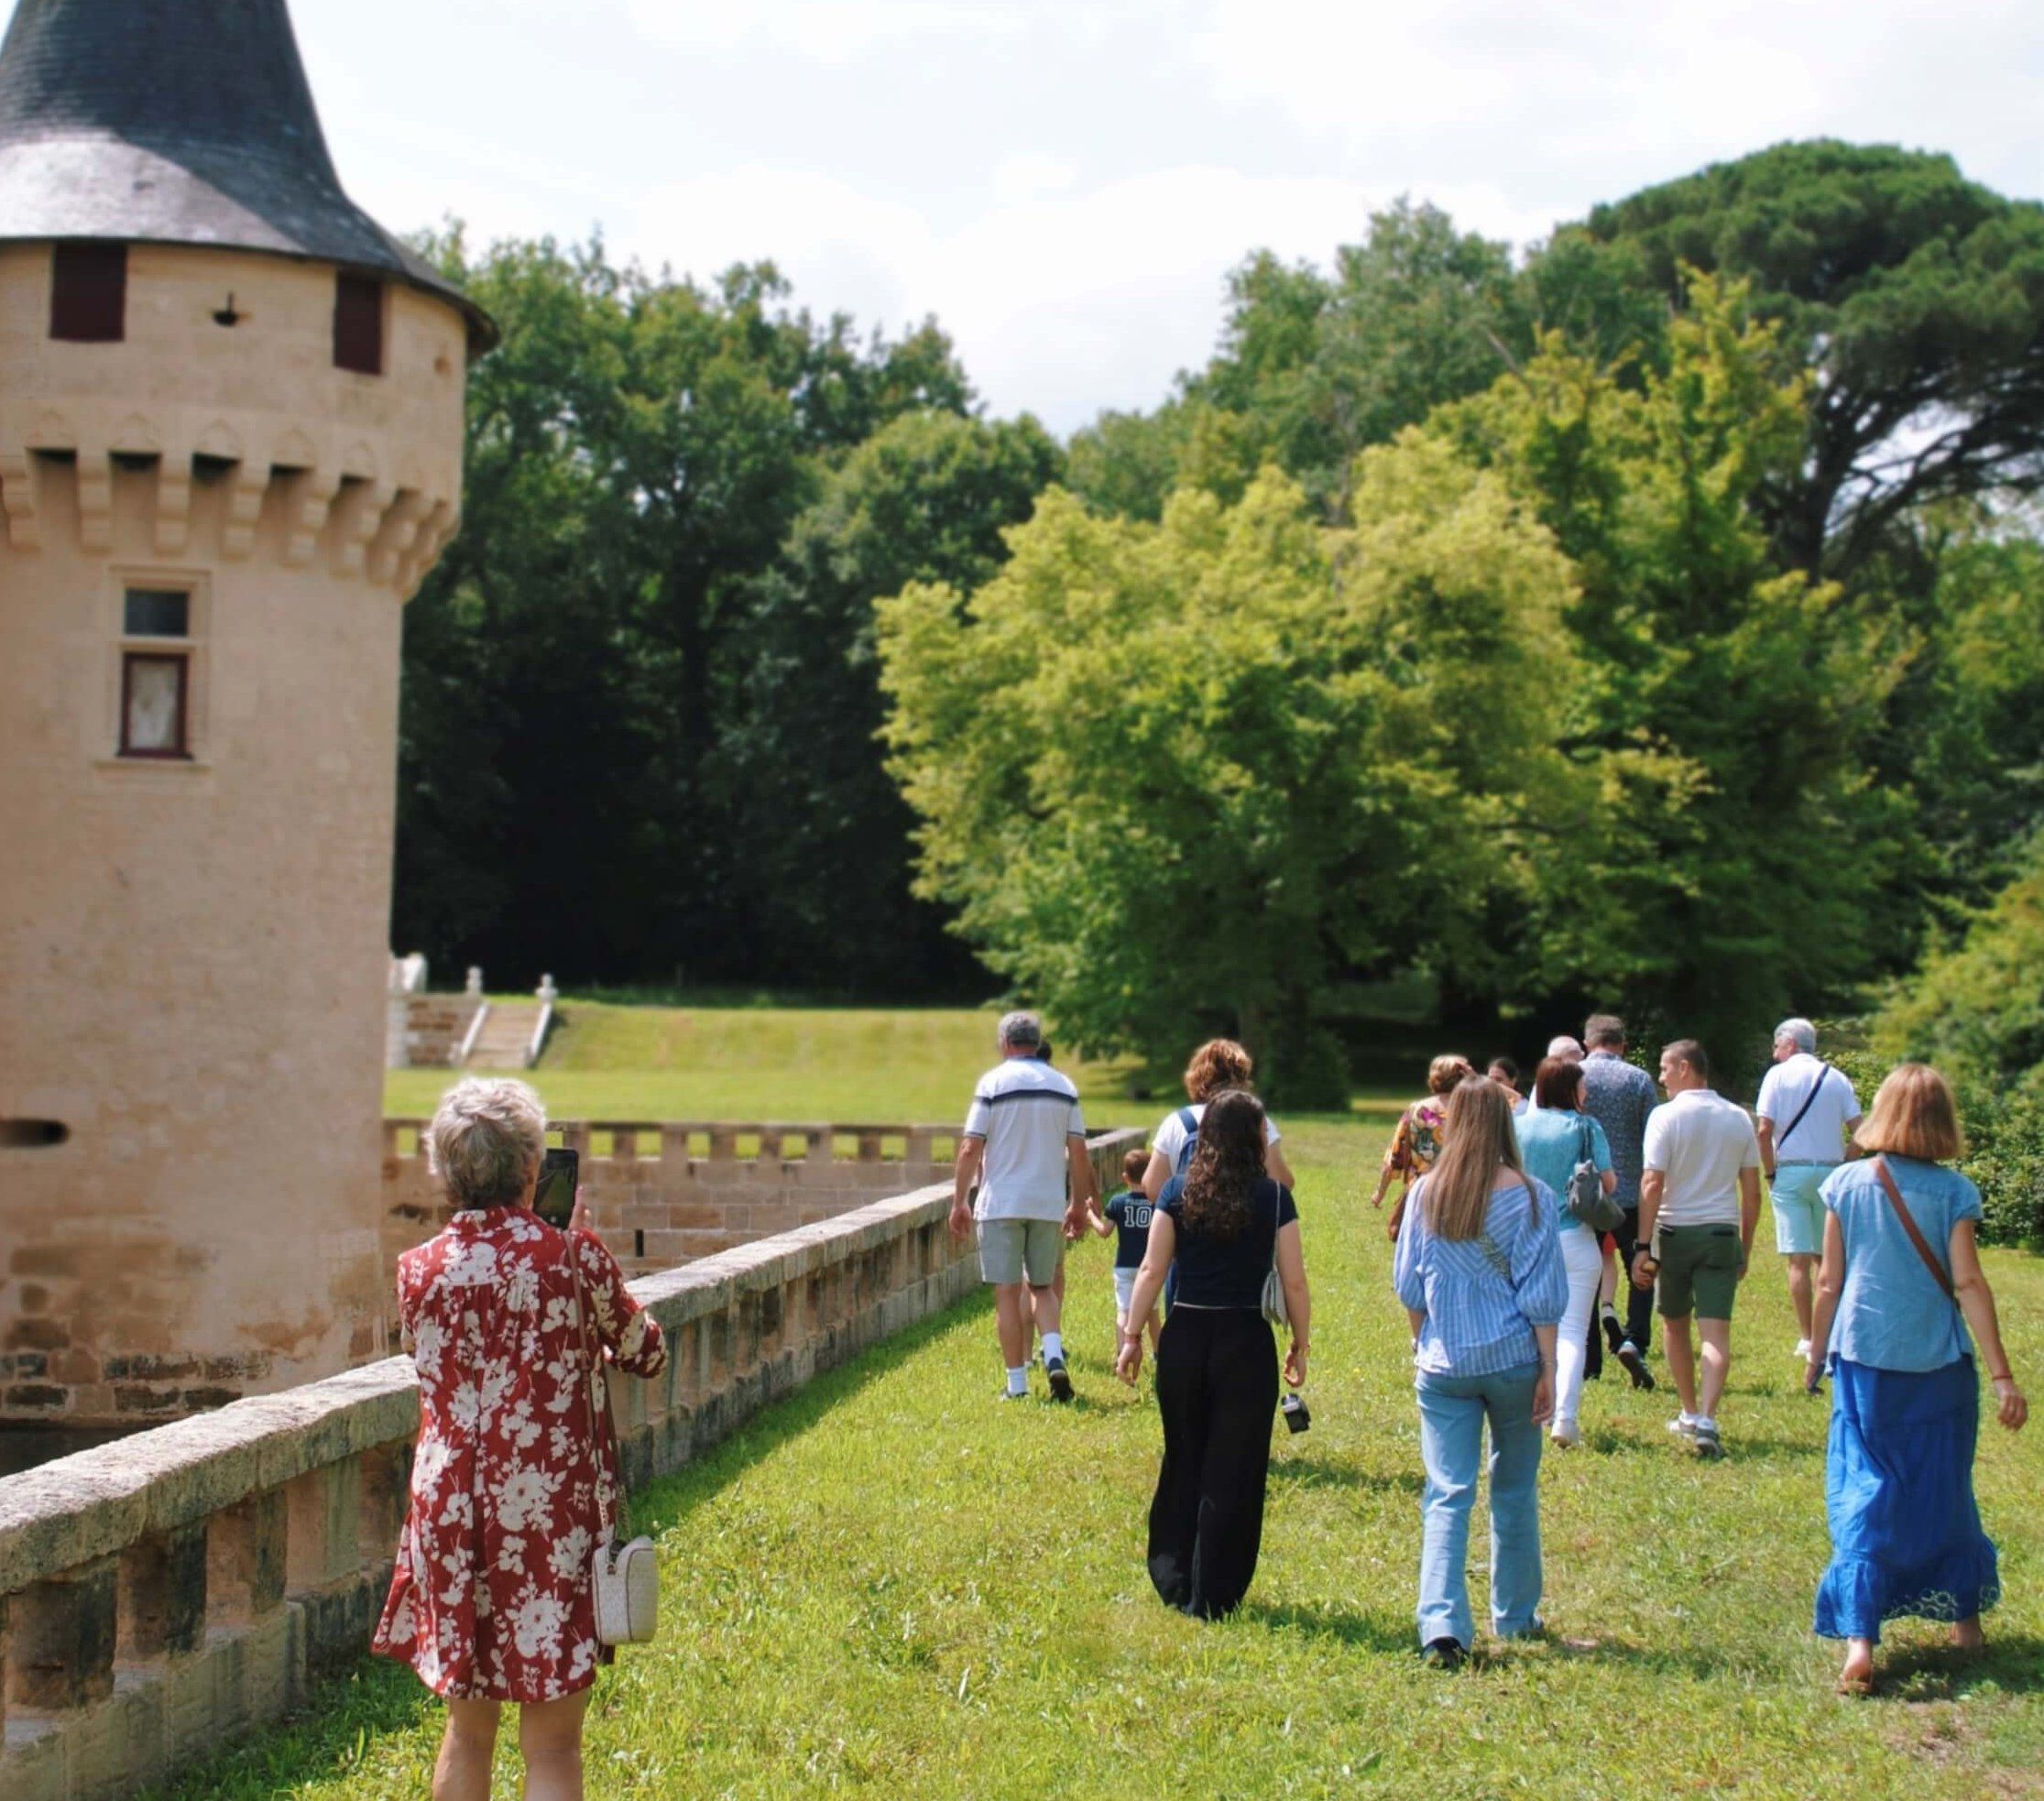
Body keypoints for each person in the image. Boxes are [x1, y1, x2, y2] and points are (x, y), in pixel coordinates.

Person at [372, 1078, 668, 1801]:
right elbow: (645, 1350)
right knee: (553, 1750)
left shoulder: (417, 1270)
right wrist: (576, 1250)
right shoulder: (570, 1256)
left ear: (444, 1172)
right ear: (534, 1166)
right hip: (545, 1515)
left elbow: (431, 1356)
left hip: (449, 1512)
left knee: (466, 1734)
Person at [1805, 1064, 2028, 1694]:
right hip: (1939, 1365)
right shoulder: (1954, 1192)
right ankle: (1965, 1624)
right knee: (1943, 1484)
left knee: (1863, 1487)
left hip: (1864, 1360)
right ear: (1941, 1122)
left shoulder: (1843, 1183)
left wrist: (1814, 1352)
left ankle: (1859, 1638)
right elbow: (1967, 1282)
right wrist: (2002, 1374)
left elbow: (1828, 1282)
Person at [1394, 1076, 1569, 1665]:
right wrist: (1549, 1370)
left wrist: (1426, 1343)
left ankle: (1441, 1625)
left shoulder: (1425, 1193)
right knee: (1514, 1490)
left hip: (1445, 1364)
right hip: (1515, 1360)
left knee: (1447, 1493)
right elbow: (1543, 1297)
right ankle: (1515, 1617)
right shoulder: (1534, 1196)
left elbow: (1409, 1287)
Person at [1116, 1091, 1310, 1620]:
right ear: (1253, 1138)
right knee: (1236, 1466)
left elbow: (1152, 1271)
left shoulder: (1177, 1192)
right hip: (1245, 1340)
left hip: (1185, 1335)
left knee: (1185, 1455)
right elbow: (1293, 1279)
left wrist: (1132, 1335)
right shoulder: (1275, 1200)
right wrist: (1301, 1341)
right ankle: (1216, 1590)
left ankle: (1175, 1573)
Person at [950, 1010, 1096, 1403]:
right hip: (1047, 1202)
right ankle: (1052, 1355)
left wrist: (960, 1200)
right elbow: (1079, 1153)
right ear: (1036, 1042)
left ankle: (1016, 1385)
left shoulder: (993, 1083)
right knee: (1043, 1287)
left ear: (1004, 1043)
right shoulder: (1063, 1085)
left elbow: (970, 1147)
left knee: (1007, 1294)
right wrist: (1078, 1204)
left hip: (1001, 1203)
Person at [1632, 1040, 1761, 1459]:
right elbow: (1752, 1190)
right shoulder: (1738, 1117)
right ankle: (1706, 1416)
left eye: (1666, 1069)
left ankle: (1689, 1409)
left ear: (1685, 1068)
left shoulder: (1665, 1117)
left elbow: (1652, 1183)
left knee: (1674, 1324)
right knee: (1716, 1332)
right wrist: (1747, 1241)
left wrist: (1642, 1244)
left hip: (1674, 1233)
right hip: (1721, 1232)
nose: (1661, 1077)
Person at [1514, 1057, 1617, 1448]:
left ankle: (1535, 1412)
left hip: (1528, 1238)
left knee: (1531, 1330)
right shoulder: (1586, 1128)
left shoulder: (1517, 1126)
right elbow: (1608, 1181)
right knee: (1573, 1332)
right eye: (1582, 1086)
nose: (1587, 1093)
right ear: (1569, 1089)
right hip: (1575, 1235)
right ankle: (1564, 1419)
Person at [1755, 1018, 1862, 1360]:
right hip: (1831, 1174)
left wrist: (1770, 1171)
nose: (1774, 1054)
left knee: (1797, 1260)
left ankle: (1807, 1337)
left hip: (1791, 1171)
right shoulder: (1837, 1078)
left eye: (1777, 1046)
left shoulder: (1777, 1076)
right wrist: (1846, 1164)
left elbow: (1763, 1129)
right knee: (1825, 1258)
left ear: (1790, 1044)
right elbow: (1862, 1130)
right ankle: (1831, 1333)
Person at [1580, 1014, 1658, 1390]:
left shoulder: (1574, 1076)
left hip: (1587, 1195)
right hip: (1631, 1194)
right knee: (1640, 1270)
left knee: (1587, 1275)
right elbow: (1653, 1138)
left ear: (1587, 1043)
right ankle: (1635, 1341)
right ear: (1623, 1044)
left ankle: (1589, 1359)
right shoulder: (1639, 1079)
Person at [1372, 1054, 1474, 1241]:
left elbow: (1394, 1157)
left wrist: (1380, 1192)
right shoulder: (1473, 1110)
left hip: (1420, 1193)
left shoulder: (1417, 1110)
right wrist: (1477, 1081)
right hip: (1463, 1193)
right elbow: (1514, 1104)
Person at [1098, 1146, 1161, 1354]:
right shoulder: (1156, 1204)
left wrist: (1090, 1216)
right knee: (1152, 1313)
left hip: (1124, 1266)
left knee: (1123, 1311)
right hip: (1148, 1267)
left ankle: (1121, 1353)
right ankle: (1159, 1354)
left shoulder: (1117, 1202)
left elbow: (1105, 1232)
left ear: (1125, 1177)